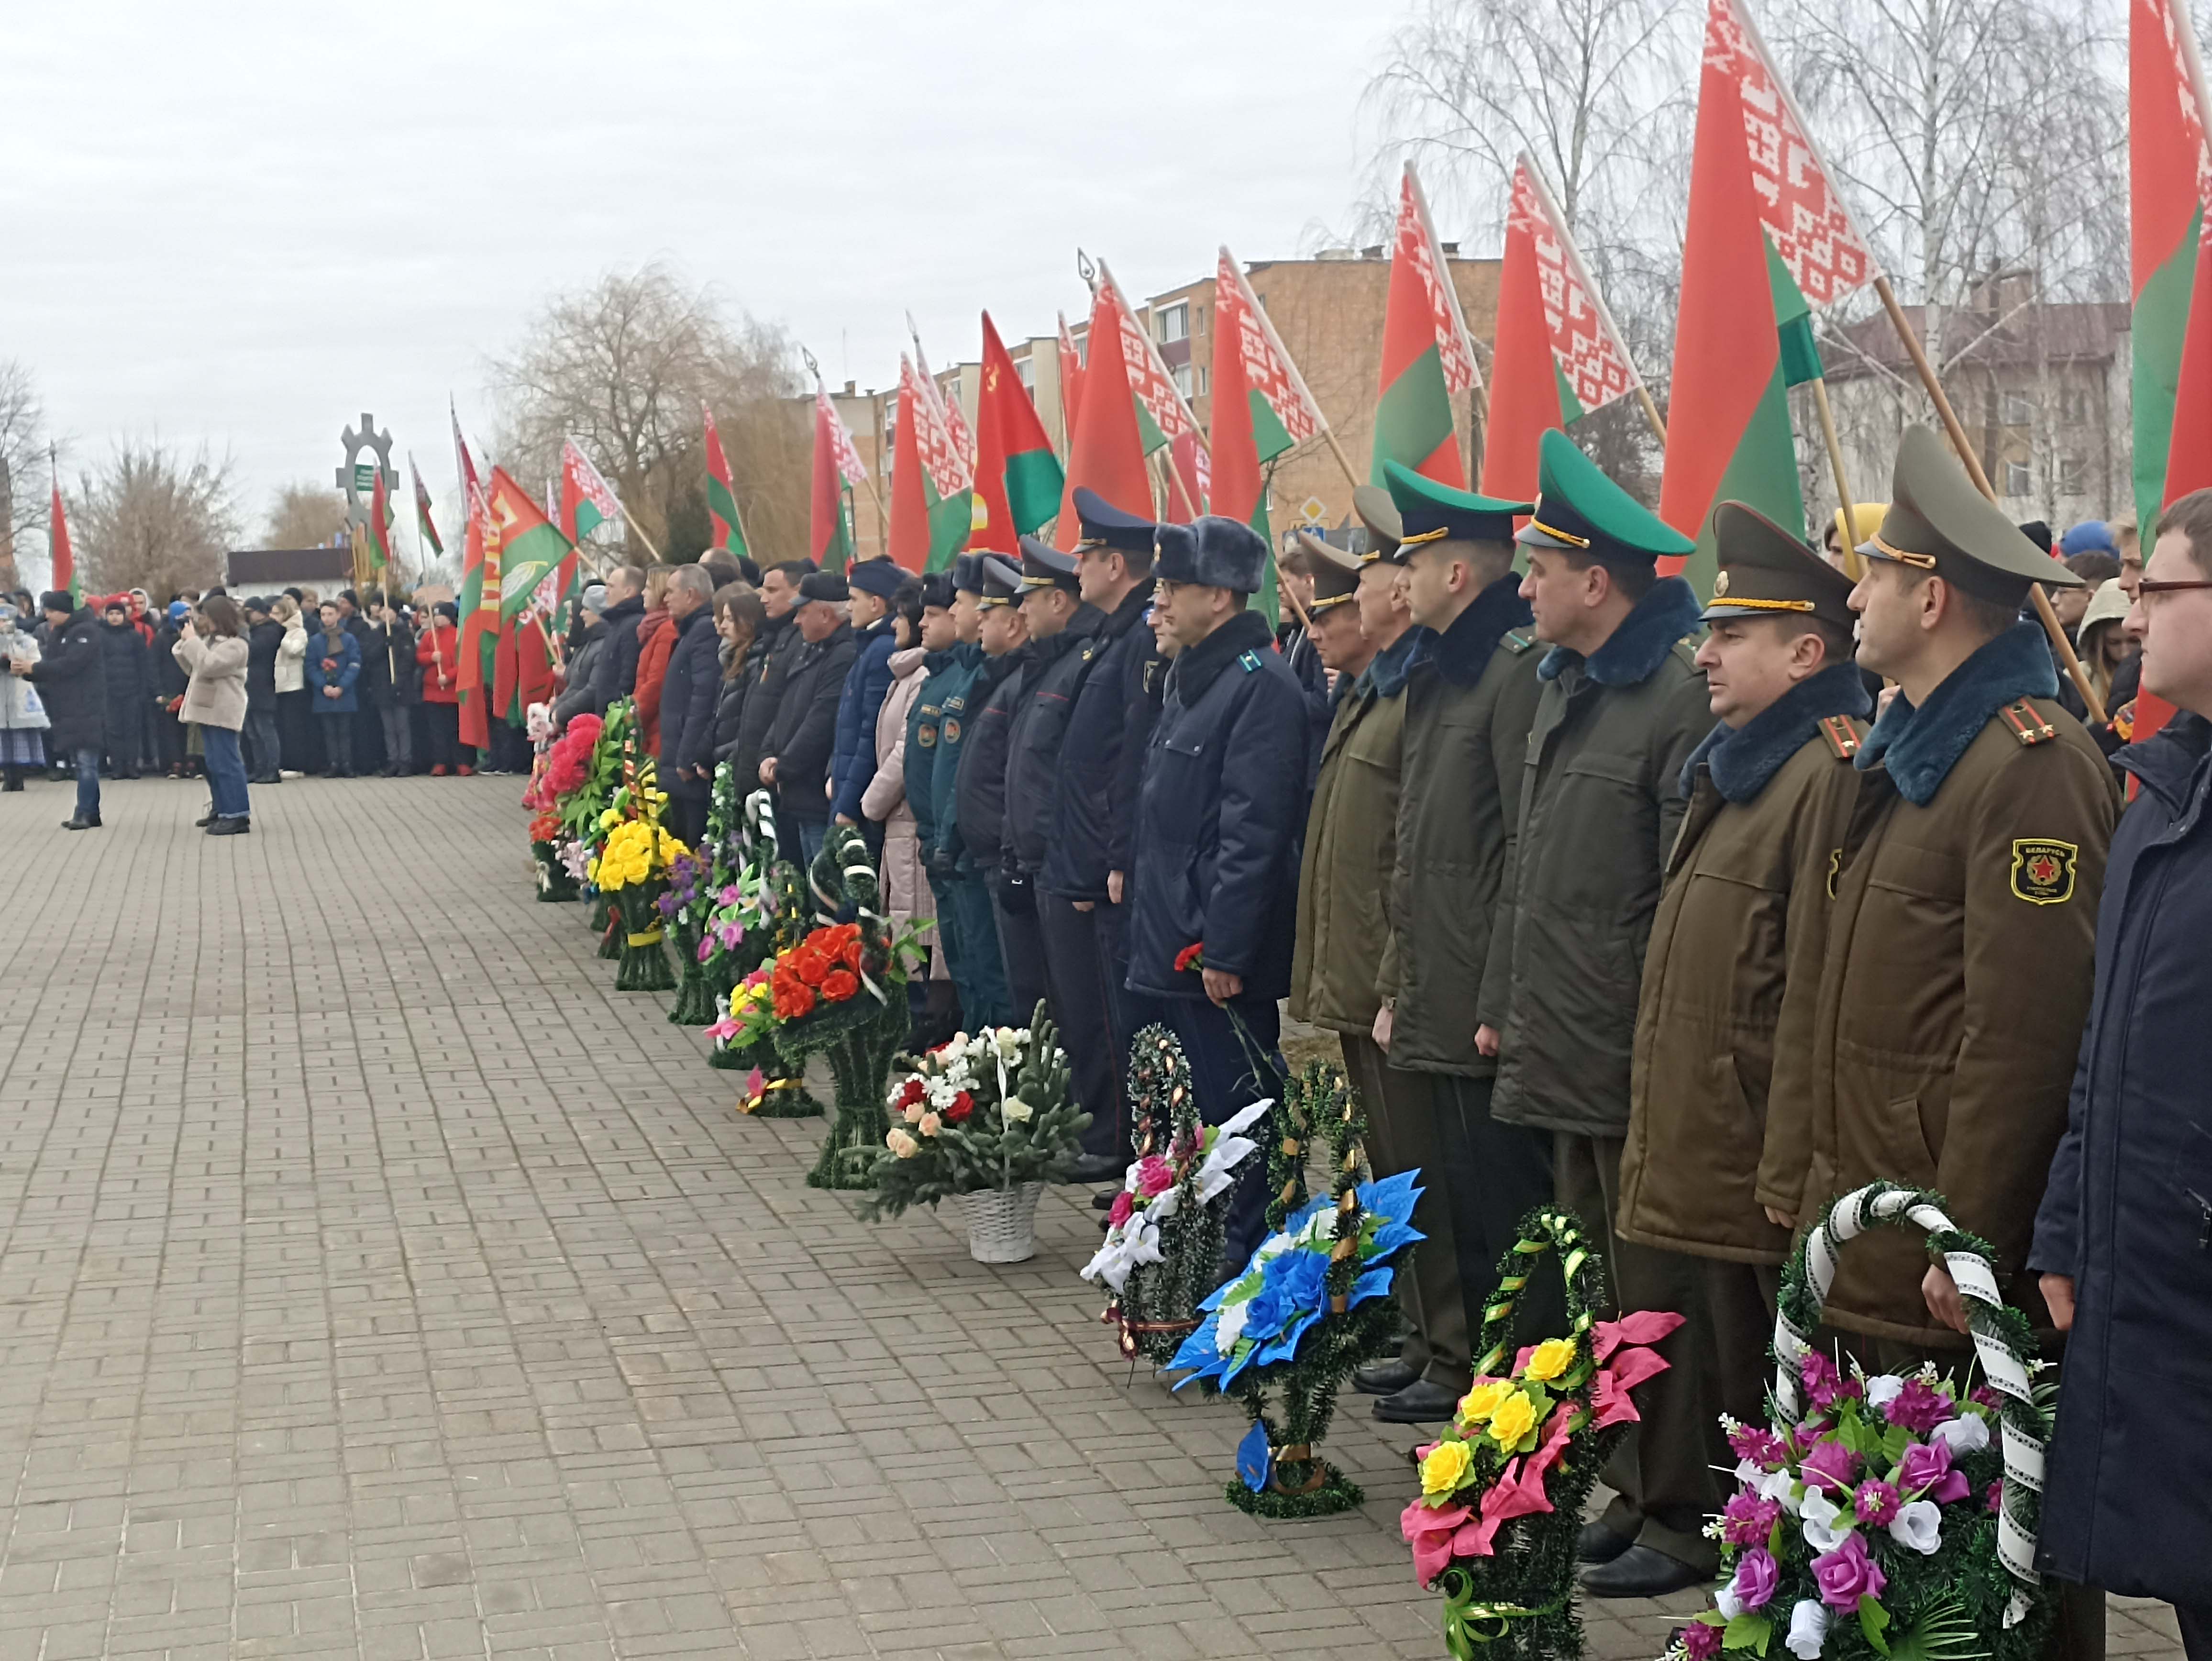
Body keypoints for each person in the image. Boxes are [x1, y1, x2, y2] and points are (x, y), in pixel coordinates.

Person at [1798, 423, 2114, 1366]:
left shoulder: (2031, 766)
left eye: (1874, 575)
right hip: (1869, 1211)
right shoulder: (1915, 750)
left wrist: (1965, 1234)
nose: (1851, 596)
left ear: (1930, 597)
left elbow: (2025, 1031)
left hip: (1933, 1247)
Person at [1612, 503, 1871, 1578]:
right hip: (1702, 1127)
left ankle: (1746, 1561)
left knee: (1750, 1369)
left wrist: (1785, 1155)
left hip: (1750, 1142)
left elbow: (1812, 984)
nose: (1702, 651)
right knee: (1694, 1344)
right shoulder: (1740, 765)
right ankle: (1695, 1533)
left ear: (1805, 652)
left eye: (1732, 635)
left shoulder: (1823, 771)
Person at [1486, 429, 1714, 1596]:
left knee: (1657, 1287)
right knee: (1602, 1288)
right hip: (1566, 1038)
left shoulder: (1674, 698)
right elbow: (1533, 876)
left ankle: (1683, 1508)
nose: (1518, 589)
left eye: (1535, 570)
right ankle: (1633, 1483)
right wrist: (1502, 1007)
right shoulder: (1568, 685)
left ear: (1596, 581)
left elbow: (1678, 904)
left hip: (1628, 1048)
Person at [2030, 487, 2212, 1657]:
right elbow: (2109, 1043)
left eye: (2161, 586)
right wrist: (2063, 1221)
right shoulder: (2159, 792)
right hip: (2155, 1284)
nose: (2132, 611)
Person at [1295, 504, 1472, 1427]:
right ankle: (1418, 1332)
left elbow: (1413, 855)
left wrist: (1391, 977)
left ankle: (1448, 1347)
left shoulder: (1408, 698)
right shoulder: (1372, 692)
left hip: (1392, 980)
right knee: (1391, 1165)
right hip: (1362, 972)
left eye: (1363, 579)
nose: (1351, 597)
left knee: (1421, 1167)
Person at [1125, 516, 1310, 1269]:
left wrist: (1226, 948)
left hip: (1216, 956)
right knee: (1200, 1114)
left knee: (1240, 1110)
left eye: (1172, 588)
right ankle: (1212, 1248)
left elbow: (1252, 834)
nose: (1158, 604)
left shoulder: (1259, 689)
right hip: (1176, 940)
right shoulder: (1193, 681)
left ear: (1223, 596)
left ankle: (1245, 1259)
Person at [1040, 490, 1161, 1177]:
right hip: (1080, 857)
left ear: (1117, 564)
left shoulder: (1136, 637)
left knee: (1118, 1022)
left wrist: (1105, 861)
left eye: (1085, 556)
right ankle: (1113, 1141)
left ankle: (1121, 1146)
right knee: (1094, 1012)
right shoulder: (1110, 638)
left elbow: (1126, 758)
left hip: (1102, 865)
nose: (1077, 568)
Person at [996, 538, 1102, 1048]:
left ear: (1059, 601)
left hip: (1062, 867)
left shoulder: (1078, 663)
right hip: (1035, 863)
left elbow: (1077, 772)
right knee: (1043, 1008)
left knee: (1079, 1019)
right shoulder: (1048, 663)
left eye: (1029, 598)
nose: (1020, 609)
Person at [861, 576, 951, 1034]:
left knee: (919, 926)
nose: (896, 623)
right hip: (898, 822)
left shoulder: (922, 677)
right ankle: (913, 1020)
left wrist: (871, 801)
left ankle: (925, 1024)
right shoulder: (907, 672)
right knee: (905, 921)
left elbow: (905, 751)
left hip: (908, 818)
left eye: (905, 616)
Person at [945, 556, 1031, 1030]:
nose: (976, 618)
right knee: (981, 967)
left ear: (1015, 623)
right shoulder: (991, 676)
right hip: (979, 850)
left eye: (986, 610)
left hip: (1002, 855)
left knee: (1007, 984)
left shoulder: (1016, 681)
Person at [758, 570, 857, 866]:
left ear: (825, 614)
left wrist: (784, 766)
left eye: (803, 612)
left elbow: (821, 721)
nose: (796, 620)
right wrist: (767, 754)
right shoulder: (811, 649)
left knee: (824, 887)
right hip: (798, 790)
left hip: (814, 791)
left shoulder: (842, 654)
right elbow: (786, 709)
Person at [829, 558, 907, 842]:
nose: (848, 607)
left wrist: (848, 803)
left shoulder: (881, 650)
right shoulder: (869, 646)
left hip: (859, 804)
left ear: (876, 603)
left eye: (853, 599)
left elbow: (870, 734)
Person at [17, 591, 106, 829]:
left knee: (86, 762)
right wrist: (28, 672)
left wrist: (35, 668)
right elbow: (52, 667)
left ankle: (85, 812)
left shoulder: (85, 631)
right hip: (67, 705)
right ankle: (91, 811)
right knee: (80, 762)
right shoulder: (60, 633)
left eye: (50, 611)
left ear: (62, 610)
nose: (46, 616)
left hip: (86, 704)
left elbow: (70, 665)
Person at [730, 560, 815, 794]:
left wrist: (771, 759)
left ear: (798, 592)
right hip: (756, 768)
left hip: (774, 773)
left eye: (773, 591)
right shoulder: (776, 636)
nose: (763, 599)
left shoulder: (802, 640)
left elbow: (787, 711)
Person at [654, 564, 721, 848]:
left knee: (692, 841)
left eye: (670, 592)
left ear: (691, 594)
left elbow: (703, 697)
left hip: (688, 762)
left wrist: (687, 756)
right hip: (677, 753)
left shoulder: (704, 631)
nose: (665, 599)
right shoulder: (692, 631)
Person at [175, 595, 251, 834]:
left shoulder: (236, 645)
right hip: (207, 708)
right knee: (214, 763)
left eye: (205, 616)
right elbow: (193, 668)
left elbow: (209, 665)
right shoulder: (210, 641)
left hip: (223, 709)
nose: (201, 621)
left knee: (227, 762)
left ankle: (237, 814)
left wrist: (193, 642)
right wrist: (185, 642)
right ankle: (222, 808)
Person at [709, 585, 767, 768]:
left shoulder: (756, 660)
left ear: (748, 621)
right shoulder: (736, 657)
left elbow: (750, 721)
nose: (723, 625)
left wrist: (726, 757)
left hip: (737, 760)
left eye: (730, 619)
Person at [306, 600, 363, 776]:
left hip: (344, 692)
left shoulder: (349, 639)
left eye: (331, 614)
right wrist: (323, 685)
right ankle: (333, 763)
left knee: (345, 731)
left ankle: (347, 763)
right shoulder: (315, 641)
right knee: (329, 731)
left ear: (338, 615)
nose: (327, 618)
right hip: (324, 692)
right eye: (323, 615)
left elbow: (355, 663)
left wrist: (342, 686)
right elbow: (310, 666)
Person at [362, 596, 416, 776]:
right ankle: (393, 760)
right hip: (381, 686)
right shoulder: (375, 633)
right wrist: (383, 646)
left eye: (389, 609)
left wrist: (398, 683)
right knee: (389, 728)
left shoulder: (404, 633)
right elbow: (369, 657)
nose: (385, 613)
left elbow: (408, 661)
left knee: (402, 726)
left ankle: (405, 760)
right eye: (382, 609)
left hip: (399, 686)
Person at [97, 598, 149, 778]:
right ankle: (117, 767)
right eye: (111, 614)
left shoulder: (134, 636)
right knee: (113, 731)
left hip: (132, 691)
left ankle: (132, 766)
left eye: (118, 614)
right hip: (109, 692)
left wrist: (143, 690)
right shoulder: (100, 636)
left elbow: (144, 664)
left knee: (132, 730)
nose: (114, 617)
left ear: (124, 615)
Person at [0, 600, 48, 789]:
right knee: (3, 738)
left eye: (4, 620)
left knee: (18, 735)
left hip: (19, 692)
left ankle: (18, 777)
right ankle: (7, 776)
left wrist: (22, 664)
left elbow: (35, 661)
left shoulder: (25, 640)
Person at [551, 585, 611, 731]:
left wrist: (560, 713)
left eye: (587, 609)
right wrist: (556, 710)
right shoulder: (588, 642)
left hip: (589, 727)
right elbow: (575, 685)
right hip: (576, 724)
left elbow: (591, 690)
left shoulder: (602, 645)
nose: (582, 614)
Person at [589, 565, 648, 710]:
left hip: (616, 719)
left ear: (628, 591)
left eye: (611, 586)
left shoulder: (633, 625)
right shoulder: (617, 624)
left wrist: (615, 717)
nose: (606, 591)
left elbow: (628, 678)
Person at [632, 566, 677, 754]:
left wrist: (631, 718)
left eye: (649, 588)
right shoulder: (655, 628)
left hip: (657, 730)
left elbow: (656, 683)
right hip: (651, 727)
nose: (643, 593)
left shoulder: (667, 630)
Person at [241, 597, 285, 784]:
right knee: (252, 732)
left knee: (265, 730)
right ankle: (259, 768)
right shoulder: (256, 631)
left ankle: (272, 768)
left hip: (262, 685)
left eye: (250, 612)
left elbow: (253, 650)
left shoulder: (270, 631)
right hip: (249, 685)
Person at [417, 602, 464, 775]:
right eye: (435, 615)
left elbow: (463, 662)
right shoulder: (429, 636)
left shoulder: (458, 636)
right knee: (437, 731)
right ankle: (440, 762)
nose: (437, 618)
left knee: (455, 729)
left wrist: (449, 676)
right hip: (432, 691)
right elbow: (419, 657)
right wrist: (431, 657)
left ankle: (460, 761)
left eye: (441, 615)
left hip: (452, 692)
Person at [270, 595, 315, 776]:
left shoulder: (298, 631)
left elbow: (295, 650)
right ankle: (284, 762)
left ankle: (297, 765)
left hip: (293, 684)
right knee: (281, 726)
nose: (273, 616)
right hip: (277, 684)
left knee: (293, 727)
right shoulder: (273, 631)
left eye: (277, 613)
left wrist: (282, 635)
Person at [150, 599, 192, 776]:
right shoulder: (161, 637)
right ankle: (175, 762)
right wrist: (158, 691)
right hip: (169, 688)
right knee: (170, 729)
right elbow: (154, 665)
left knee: (189, 728)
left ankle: (191, 762)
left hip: (190, 687)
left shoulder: (192, 636)